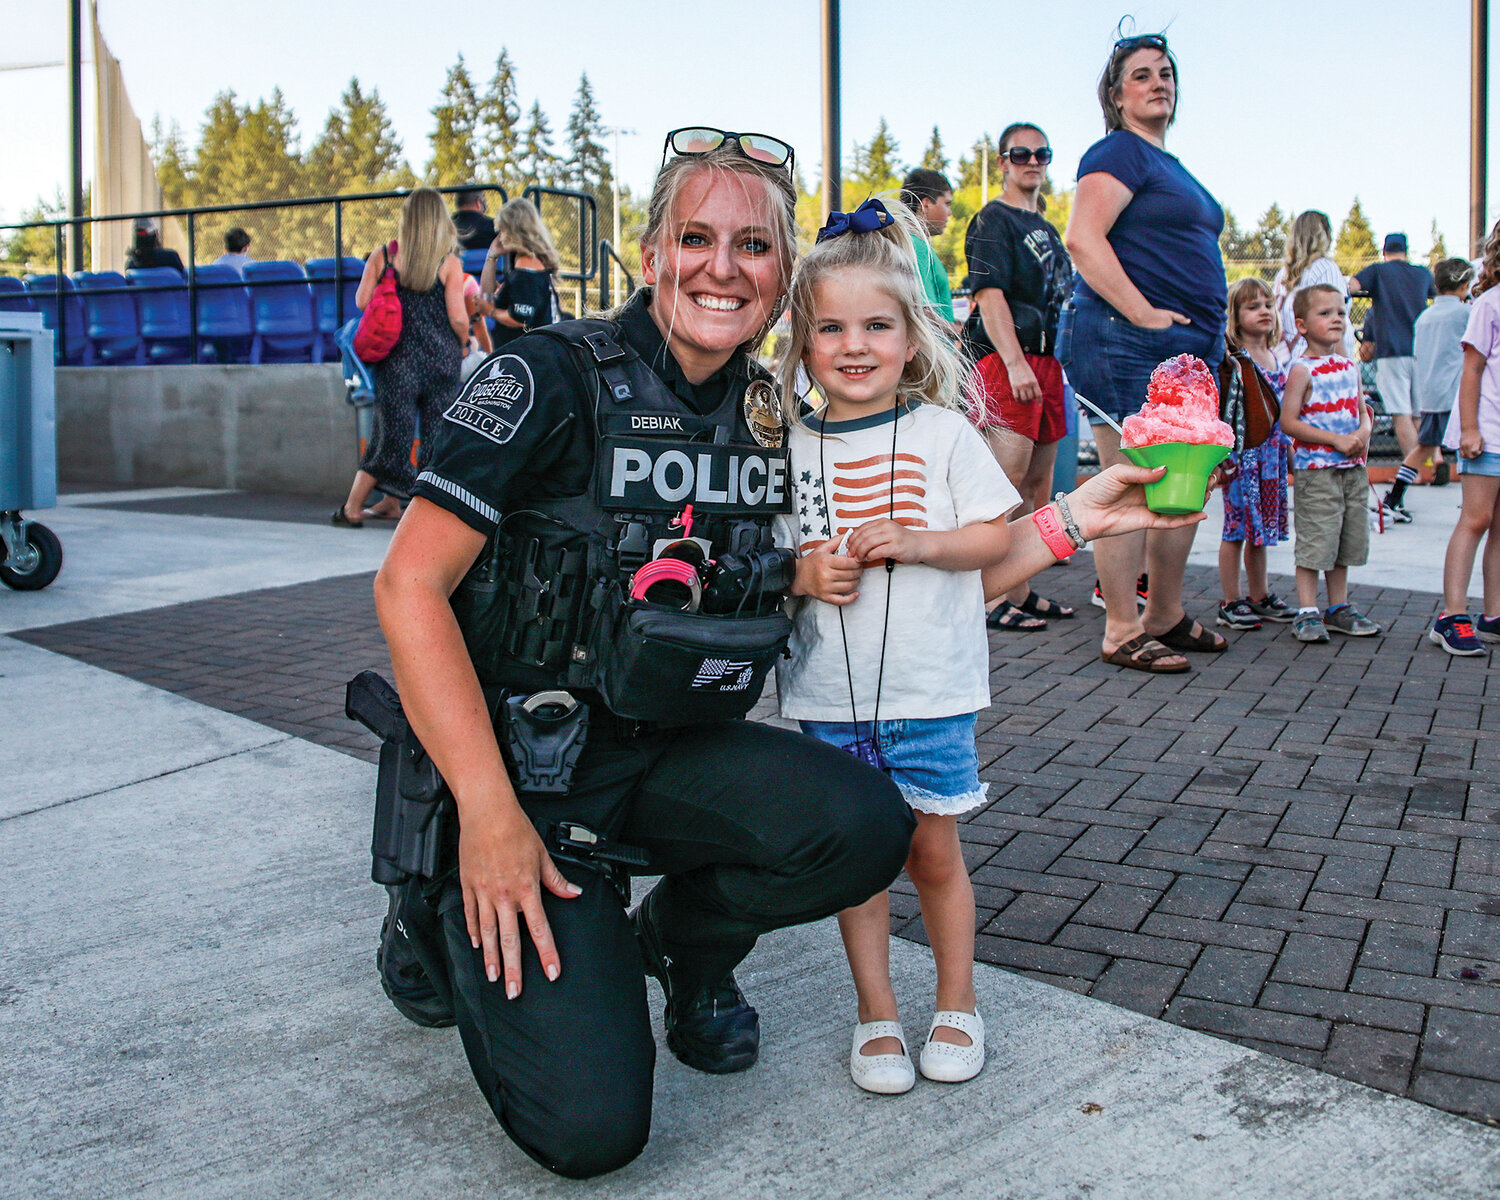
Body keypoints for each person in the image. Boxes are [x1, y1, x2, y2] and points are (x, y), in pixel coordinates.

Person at [365, 128, 1208, 1178]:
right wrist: (488, 816)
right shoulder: (547, 377)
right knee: (590, 1133)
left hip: (668, 743)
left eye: (753, 246)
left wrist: (1079, 513)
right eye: (697, 237)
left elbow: (940, 579)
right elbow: (407, 586)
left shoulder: (780, 425)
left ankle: (683, 944)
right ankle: (434, 896)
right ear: (649, 248)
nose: (722, 267)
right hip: (525, 769)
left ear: (781, 280)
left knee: (863, 825)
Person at [774, 200, 1019, 1094]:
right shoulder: (791, 447)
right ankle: (876, 1013)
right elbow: (772, 554)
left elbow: (995, 537)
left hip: (931, 689)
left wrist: (920, 543)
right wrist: (805, 575)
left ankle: (958, 1000)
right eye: (830, 327)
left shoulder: (943, 434)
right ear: (801, 345)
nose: (854, 345)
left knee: (934, 854)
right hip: (829, 698)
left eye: (877, 325)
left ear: (912, 340)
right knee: (860, 861)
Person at [1059, 30, 1229, 672]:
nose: (1159, 82)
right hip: (1128, 341)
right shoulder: (1119, 151)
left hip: (1185, 348)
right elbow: (1083, 238)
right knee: (1135, 480)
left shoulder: (1169, 164)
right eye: (1141, 75)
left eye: (1166, 73)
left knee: (1183, 479)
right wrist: (1144, 314)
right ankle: (1122, 627)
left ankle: (1164, 613)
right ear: (1116, 94)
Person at [963, 122, 1076, 632]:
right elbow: (989, 296)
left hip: (1049, 364)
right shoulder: (992, 219)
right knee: (1001, 485)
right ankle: (987, 598)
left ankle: (1019, 588)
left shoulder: (1049, 228)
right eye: (1022, 153)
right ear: (1004, 161)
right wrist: (1012, 362)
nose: (1033, 161)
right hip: (1010, 359)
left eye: (1042, 153)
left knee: (1036, 485)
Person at [334, 188, 468, 527]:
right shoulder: (449, 262)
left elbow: (363, 302)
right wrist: (464, 342)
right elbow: (458, 317)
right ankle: (412, 513)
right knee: (436, 440)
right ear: (441, 220)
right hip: (442, 361)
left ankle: (353, 508)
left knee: (390, 437)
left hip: (399, 362)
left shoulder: (384, 254)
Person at [1279, 284, 1381, 642]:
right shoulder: (1302, 370)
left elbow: (1362, 413)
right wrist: (1336, 440)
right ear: (1302, 325)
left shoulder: (1349, 366)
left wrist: (1362, 434)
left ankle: (1338, 607)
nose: (1336, 318)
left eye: (1340, 311)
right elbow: (1289, 421)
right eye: (1325, 313)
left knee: (1345, 539)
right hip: (1317, 472)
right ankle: (1307, 610)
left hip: (1352, 471)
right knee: (1316, 540)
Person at [1432, 226, 1500, 655]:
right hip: (1488, 432)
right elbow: (1472, 370)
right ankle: (1451, 616)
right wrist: (1470, 430)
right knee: (1475, 520)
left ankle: (1493, 615)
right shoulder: (1489, 304)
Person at [1216, 277, 1292, 630]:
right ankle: (1231, 600)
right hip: (1242, 458)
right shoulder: (1233, 360)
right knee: (1235, 528)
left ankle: (1259, 595)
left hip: (1270, 457)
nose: (1264, 311)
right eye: (1252, 306)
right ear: (1235, 315)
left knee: (1259, 530)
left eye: (1268, 305)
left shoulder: (1276, 356)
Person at [1349, 232, 1437, 518]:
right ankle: (1429, 462)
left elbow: (1352, 286)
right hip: (1421, 349)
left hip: (1392, 351)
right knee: (1417, 414)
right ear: (1406, 250)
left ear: (1384, 251)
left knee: (1400, 414)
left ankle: (1418, 471)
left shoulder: (1378, 271)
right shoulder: (1422, 274)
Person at [1385, 257, 1474, 513]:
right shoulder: (1466, 313)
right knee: (1467, 447)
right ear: (1464, 285)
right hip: (1457, 393)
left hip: (1431, 395)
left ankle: (1395, 496)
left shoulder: (1425, 317)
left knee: (1425, 446)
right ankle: (1472, 500)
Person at [478, 197, 563, 350]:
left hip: (530, 353)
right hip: (531, 350)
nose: (500, 235)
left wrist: (490, 311)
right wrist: (492, 255)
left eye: (503, 230)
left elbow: (520, 317)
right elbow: (486, 291)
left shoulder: (528, 264)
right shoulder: (526, 259)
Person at [1273, 210, 1354, 363]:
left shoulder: (1283, 274)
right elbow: (1333, 322)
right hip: (1324, 360)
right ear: (1324, 235)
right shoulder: (1325, 268)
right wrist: (1346, 369)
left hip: (1292, 357)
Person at [898, 167, 958, 330]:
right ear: (925, 204)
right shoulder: (915, 246)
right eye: (946, 204)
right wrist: (958, 332)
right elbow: (921, 311)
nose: (950, 213)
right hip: (932, 353)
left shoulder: (912, 244)